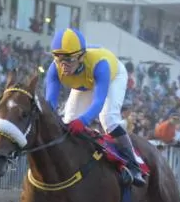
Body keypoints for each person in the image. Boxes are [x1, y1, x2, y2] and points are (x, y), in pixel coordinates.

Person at [44, 27, 145, 187]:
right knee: (68, 120)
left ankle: (134, 166)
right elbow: (50, 105)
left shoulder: (100, 65)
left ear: (81, 57)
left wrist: (83, 121)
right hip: (85, 82)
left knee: (108, 119)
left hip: (113, 76)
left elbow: (98, 102)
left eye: (69, 60)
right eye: (59, 59)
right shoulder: (54, 70)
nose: (63, 65)